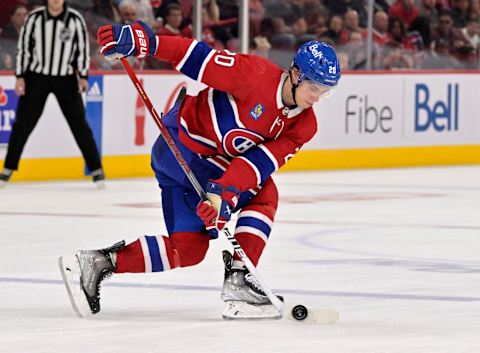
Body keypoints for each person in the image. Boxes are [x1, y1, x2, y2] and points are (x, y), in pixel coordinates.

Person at [58, 20, 341, 320]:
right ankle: (240, 280)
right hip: (178, 148)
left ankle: (96, 263)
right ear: (296, 74)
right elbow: (198, 58)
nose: (317, 98)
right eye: (314, 88)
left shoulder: (305, 125)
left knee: (188, 250)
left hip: (209, 165)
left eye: (325, 92)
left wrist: (223, 196)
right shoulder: (255, 75)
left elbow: (258, 164)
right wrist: (148, 43)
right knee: (265, 195)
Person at [0, 0, 105, 188]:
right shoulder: (34, 19)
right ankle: (8, 169)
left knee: (79, 125)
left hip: (65, 79)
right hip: (36, 78)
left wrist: (82, 76)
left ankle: (96, 169)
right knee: (23, 123)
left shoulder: (75, 20)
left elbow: (81, 50)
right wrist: (20, 76)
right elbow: (24, 48)